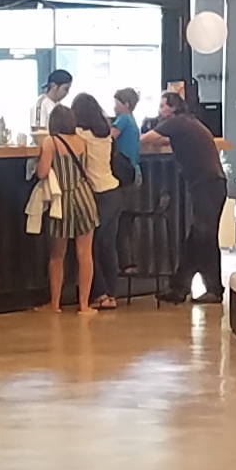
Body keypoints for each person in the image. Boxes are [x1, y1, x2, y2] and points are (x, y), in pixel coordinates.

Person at [151, 82, 227, 303]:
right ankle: (179, 288)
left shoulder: (175, 121)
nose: (159, 111)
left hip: (206, 185)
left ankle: (213, 289)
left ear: (173, 108)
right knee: (196, 238)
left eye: (162, 106)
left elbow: (146, 139)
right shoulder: (188, 122)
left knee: (204, 237)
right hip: (212, 184)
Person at [38, 93, 101, 314]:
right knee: (85, 254)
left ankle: (55, 304)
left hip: (62, 201)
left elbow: (42, 172)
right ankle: (84, 305)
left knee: (58, 255)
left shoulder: (51, 142)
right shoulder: (81, 141)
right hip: (84, 198)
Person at [94, 87, 145, 306]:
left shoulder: (123, 119)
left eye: (117, 102)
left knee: (117, 225)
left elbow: (108, 137)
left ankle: (125, 263)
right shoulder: (132, 120)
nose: (114, 106)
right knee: (125, 222)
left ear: (125, 104)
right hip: (134, 174)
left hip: (124, 176)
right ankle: (127, 262)